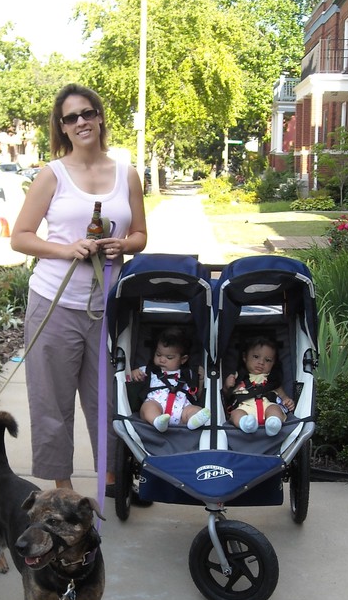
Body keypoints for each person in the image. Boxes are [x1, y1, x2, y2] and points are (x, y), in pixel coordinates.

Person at [11, 83, 147, 492]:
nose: (81, 122)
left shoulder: (126, 174)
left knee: (107, 398)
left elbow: (140, 235)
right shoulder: (51, 175)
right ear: (62, 127)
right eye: (71, 118)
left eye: (87, 113)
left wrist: (122, 245)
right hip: (53, 303)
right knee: (52, 401)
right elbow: (20, 237)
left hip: (109, 306)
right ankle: (63, 490)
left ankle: (112, 478)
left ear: (100, 117)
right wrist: (66, 249)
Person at [131, 327, 210, 432]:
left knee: (194, 409)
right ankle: (157, 421)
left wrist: (200, 380)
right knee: (148, 407)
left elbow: (196, 395)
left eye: (169, 357)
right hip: (156, 404)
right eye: (158, 355)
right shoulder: (149, 370)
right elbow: (132, 378)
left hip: (182, 409)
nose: (162, 360)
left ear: (183, 359)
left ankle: (193, 421)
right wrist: (134, 373)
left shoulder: (188, 373)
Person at [223, 336, 295, 436]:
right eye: (256, 357)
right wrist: (227, 386)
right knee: (235, 413)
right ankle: (246, 425)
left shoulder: (272, 381)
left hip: (268, 407)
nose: (261, 362)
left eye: (268, 360)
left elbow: (283, 397)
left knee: (275, 409)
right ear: (245, 357)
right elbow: (227, 397)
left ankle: (273, 425)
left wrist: (287, 401)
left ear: (273, 363)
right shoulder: (238, 378)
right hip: (245, 409)